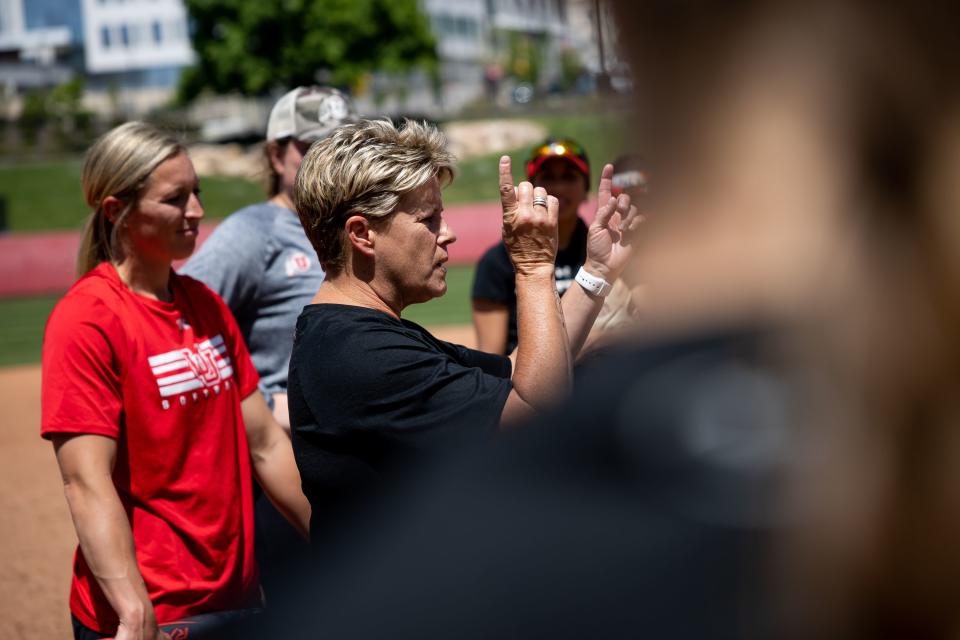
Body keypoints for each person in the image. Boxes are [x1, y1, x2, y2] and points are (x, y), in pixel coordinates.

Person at [286, 119, 640, 551]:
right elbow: (535, 406)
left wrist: (596, 272)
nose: (447, 233)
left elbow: (516, 373)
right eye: (428, 219)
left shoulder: (359, 334)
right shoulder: (355, 352)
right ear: (362, 234)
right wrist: (533, 268)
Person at [40, 122, 310, 640]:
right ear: (118, 210)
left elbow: (265, 445)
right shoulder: (88, 319)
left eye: (197, 193)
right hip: (150, 612)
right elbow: (86, 480)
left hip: (235, 598)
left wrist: (332, 536)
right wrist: (132, 608)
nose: (197, 211)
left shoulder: (205, 306)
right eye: (175, 198)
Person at [180, 85, 356, 596]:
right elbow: (176, 326)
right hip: (279, 469)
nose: (328, 158)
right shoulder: (254, 232)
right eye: (311, 146)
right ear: (277, 155)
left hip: (346, 454)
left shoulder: (350, 226)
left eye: (340, 144)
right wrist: (261, 404)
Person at [471, 137, 592, 355]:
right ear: (531, 188)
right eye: (547, 177)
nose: (558, 187)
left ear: (586, 189)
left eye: (569, 177)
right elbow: (492, 357)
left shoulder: (602, 254)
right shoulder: (497, 262)